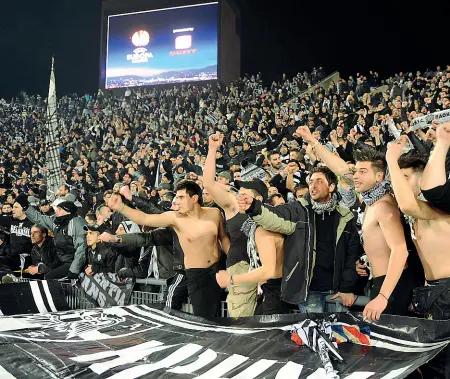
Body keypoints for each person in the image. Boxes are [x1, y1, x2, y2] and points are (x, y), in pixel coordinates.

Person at [298, 125, 415, 320]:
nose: (355, 176)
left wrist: (383, 296)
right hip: (381, 282)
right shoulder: (371, 201)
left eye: (362, 172)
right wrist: (313, 142)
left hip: (393, 287)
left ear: (379, 177)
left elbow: (400, 250)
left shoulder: (384, 206)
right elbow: (340, 168)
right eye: (356, 171)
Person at [237, 166, 361, 313]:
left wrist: (347, 287)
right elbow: (273, 216)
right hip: (309, 292)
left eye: (319, 181)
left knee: (337, 334)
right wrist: (254, 207)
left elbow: (351, 255)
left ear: (332, 186)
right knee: (312, 334)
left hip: (337, 290)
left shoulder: (346, 217)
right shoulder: (298, 210)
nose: (313, 186)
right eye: (311, 182)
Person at [108, 179, 230, 318]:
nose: (177, 201)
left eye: (181, 197)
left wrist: (233, 263)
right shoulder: (175, 218)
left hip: (217, 270)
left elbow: (224, 238)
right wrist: (121, 207)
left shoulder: (215, 213)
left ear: (195, 198)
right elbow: (145, 218)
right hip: (196, 275)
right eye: (176, 197)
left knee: (217, 317)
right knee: (204, 319)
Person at [387, 141, 450, 378]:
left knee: (442, 366)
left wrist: (391, 159)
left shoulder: (436, 208)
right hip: (434, 294)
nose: (399, 183)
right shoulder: (417, 214)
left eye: (405, 177)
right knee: (436, 364)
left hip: (447, 292)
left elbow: (406, 204)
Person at [24, 197, 87, 279]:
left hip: (72, 262)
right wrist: (26, 207)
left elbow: (81, 249)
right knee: (45, 274)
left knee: (50, 276)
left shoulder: (77, 224)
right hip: (62, 260)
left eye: (60, 209)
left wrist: (74, 270)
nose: (56, 211)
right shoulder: (57, 222)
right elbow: (39, 219)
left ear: (68, 212)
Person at [0, 195, 33, 277]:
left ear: (24, 209)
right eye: (13, 207)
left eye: (16, 207)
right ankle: (8, 277)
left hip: (26, 257)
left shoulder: (33, 222)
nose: (13, 209)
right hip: (12, 256)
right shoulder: (11, 220)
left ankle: (10, 278)